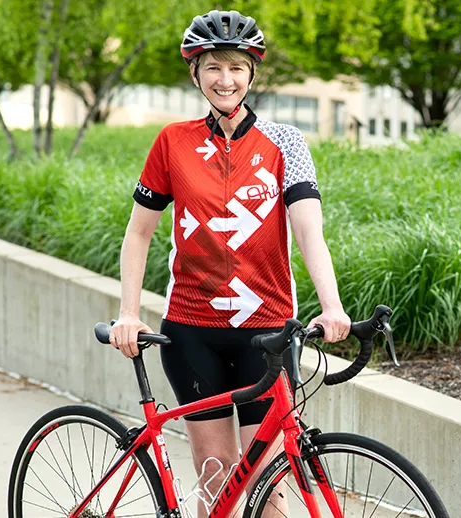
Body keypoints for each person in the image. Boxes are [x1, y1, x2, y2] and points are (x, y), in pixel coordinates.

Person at [108, 8, 350, 517]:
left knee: (269, 480)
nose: (225, 78)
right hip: (192, 329)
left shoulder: (287, 143)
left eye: (236, 66)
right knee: (216, 471)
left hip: (268, 330)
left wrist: (332, 306)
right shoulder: (173, 142)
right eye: (213, 67)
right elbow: (138, 233)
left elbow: (309, 231)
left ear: (252, 73)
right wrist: (128, 313)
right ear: (195, 73)